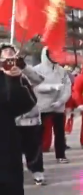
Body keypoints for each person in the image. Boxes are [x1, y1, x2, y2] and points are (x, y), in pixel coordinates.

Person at [1, 44, 37, 195]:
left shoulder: (10, 76)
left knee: (7, 184)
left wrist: (13, 80)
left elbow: (25, 104)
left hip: (5, 140)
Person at [13, 50, 45, 186]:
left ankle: (37, 171)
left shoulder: (24, 74)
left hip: (29, 117)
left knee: (32, 147)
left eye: (11, 52)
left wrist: (24, 67)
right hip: (9, 119)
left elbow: (38, 79)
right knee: (11, 149)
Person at [34, 47, 71, 163]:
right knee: (38, 133)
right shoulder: (37, 70)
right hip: (42, 106)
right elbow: (34, 86)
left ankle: (61, 155)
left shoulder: (62, 71)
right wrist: (52, 87)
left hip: (58, 106)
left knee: (59, 132)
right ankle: (36, 158)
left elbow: (67, 87)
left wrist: (61, 101)